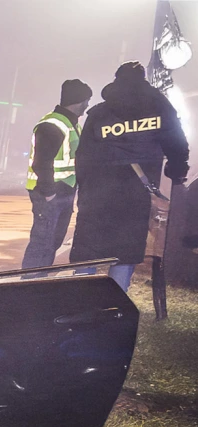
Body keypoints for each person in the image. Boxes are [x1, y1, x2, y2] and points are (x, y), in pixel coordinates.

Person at [71, 61, 189, 291]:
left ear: (116, 79)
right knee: (126, 249)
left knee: (89, 247)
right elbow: (177, 145)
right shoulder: (161, 110)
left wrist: (84, 189)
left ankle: (81, 299)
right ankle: (117, 304)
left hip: (98, 190)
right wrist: (176, 172)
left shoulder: (100, 112)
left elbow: (83, 154)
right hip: (136, 191)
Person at [21, 79, 93, 270]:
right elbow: (41, 162)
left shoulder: (72, 124)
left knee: (51, 243)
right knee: (41, 244)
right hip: (50, 194)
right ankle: (27, 288)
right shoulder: (53, 124)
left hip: (64, 193)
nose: (87, 106)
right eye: (86, 101)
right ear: (79, 101)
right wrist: (49, 192)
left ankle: (39, 285)